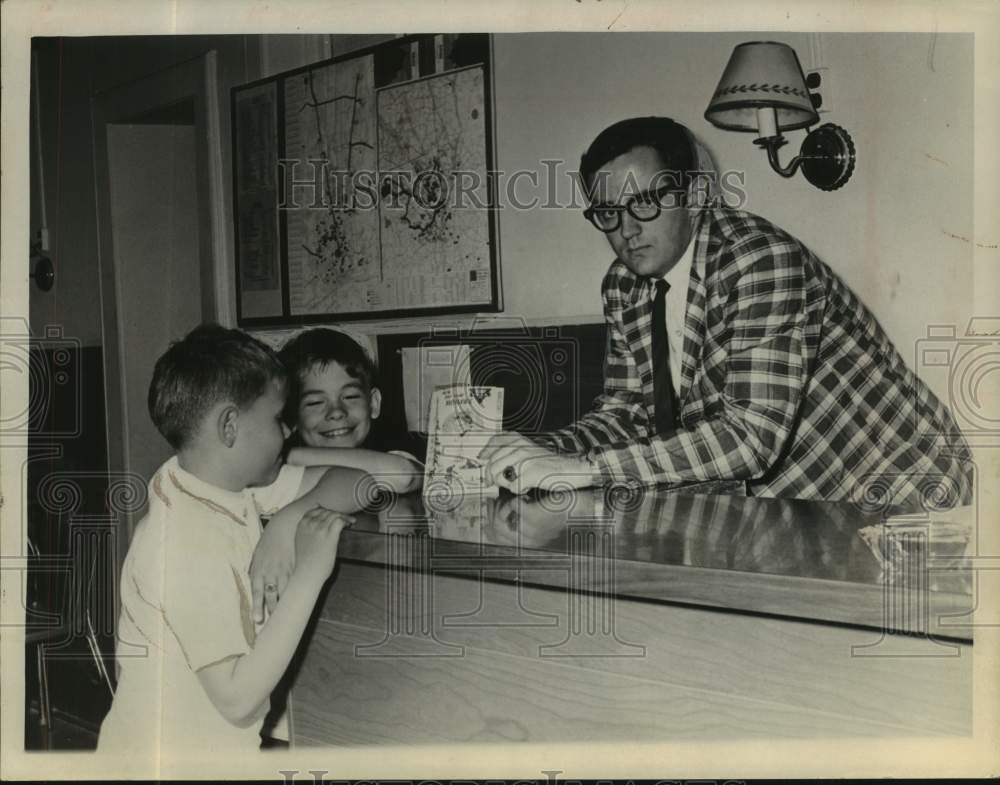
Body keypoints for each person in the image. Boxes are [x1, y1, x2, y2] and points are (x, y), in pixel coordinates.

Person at [480, 116, 972, 510]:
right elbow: (623, 416)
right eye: (607, 212)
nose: (626, 228)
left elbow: (751, 438)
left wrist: (584, 469)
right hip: (795, 504)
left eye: (645, 202)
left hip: (906, 484)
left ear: (695, 196)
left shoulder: (759, 260)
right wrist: (537, 453)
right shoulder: (623, 286)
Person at [98, 324, 369, 761]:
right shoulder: (182, 541)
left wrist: (290, 517)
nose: (287, 434)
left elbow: (359, 482)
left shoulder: (216, 483)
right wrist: (310, 574)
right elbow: (238, 700)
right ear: (230, 426)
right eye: (277, 420)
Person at [277, 328, 424, 494]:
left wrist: (289, 456)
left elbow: (404, 476)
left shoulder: (392, 456)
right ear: (291, 415)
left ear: (373, 404)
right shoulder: (282, 477)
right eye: (315, 402)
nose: (337, 412)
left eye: (350, 397)